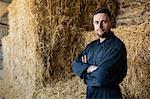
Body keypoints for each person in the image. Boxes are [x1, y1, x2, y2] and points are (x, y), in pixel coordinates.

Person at [72, 7, 127, 99]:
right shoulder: (91, 46)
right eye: (96, 22)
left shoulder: (116, 47)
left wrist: (84, 74)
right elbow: (75, 65)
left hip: (108, 95)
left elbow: (101, 77)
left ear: (110, 22)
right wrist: (90, 68)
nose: (100, 26)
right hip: (91, 94)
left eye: (104, 22)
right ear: (93, 24)